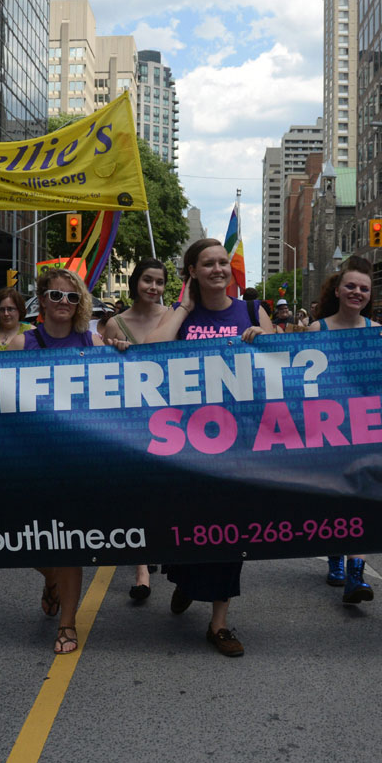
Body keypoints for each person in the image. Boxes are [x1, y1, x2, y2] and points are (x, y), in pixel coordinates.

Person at [147, 238, 273, 657]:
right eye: (208, 264)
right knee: (186, 526)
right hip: (185, 442)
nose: (218, 269)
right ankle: (184, 581)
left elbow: (278, 367)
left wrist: (263, 342)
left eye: (223, 262)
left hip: (238, 445)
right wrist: (183, 306)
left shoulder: (253, 311)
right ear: (193, 272)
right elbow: (153, 352)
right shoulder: (179, 315)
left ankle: (218, 624)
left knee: (230, 532)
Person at [3, 268, 130, 653]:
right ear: (41, 300)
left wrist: (121, 352)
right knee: (24, 542)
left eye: (72, 298)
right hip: (32, 460)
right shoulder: (20, 344)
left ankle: (68, 624)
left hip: (77, 461)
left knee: (70, 543)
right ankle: (52, 579)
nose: (64, 304)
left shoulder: (93, 342)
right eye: (56, 296)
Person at [307, 257, 378, 604]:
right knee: (335, 497)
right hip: (325, 430)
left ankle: (356, 573)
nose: (357, 292)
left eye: (364, 288)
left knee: (363, 497)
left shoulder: (378, 331)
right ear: (337, 290)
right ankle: (335, 557)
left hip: (365, 428)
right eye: (351, 286)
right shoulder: (316, 331)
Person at [100, 259, 170, 602]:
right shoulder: (115, 323)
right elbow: (103, 371)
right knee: (139, 490)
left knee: (164, 490)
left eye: (159, 282)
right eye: (147, 281)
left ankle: (160, 545)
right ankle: (142, 569)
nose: (153, 288)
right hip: (131, 420)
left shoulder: (173, 318)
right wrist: (113, 350)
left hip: (170, 419)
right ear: (135, 283)